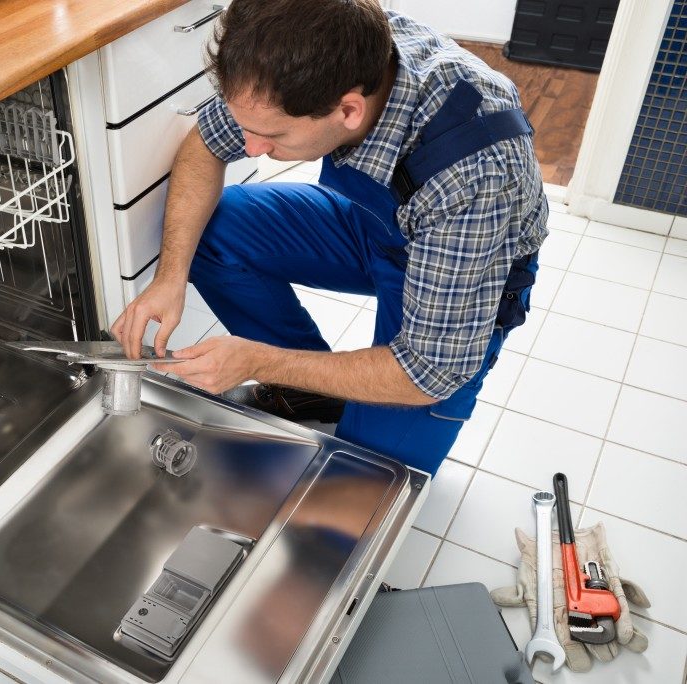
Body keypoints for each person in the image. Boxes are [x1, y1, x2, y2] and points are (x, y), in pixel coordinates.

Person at [110, 0, 548, 476]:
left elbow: (428, 372)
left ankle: (314, 387)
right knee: (216, 230)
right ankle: (312, 390)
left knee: (366, 475)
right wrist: (170, 277)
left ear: (349, 111)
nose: (251, 147)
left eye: (271, 136)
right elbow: (205, 144)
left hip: (463, 269)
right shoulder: (311, 55)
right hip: (376, 225)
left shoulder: (475, 169)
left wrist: (259, 360)